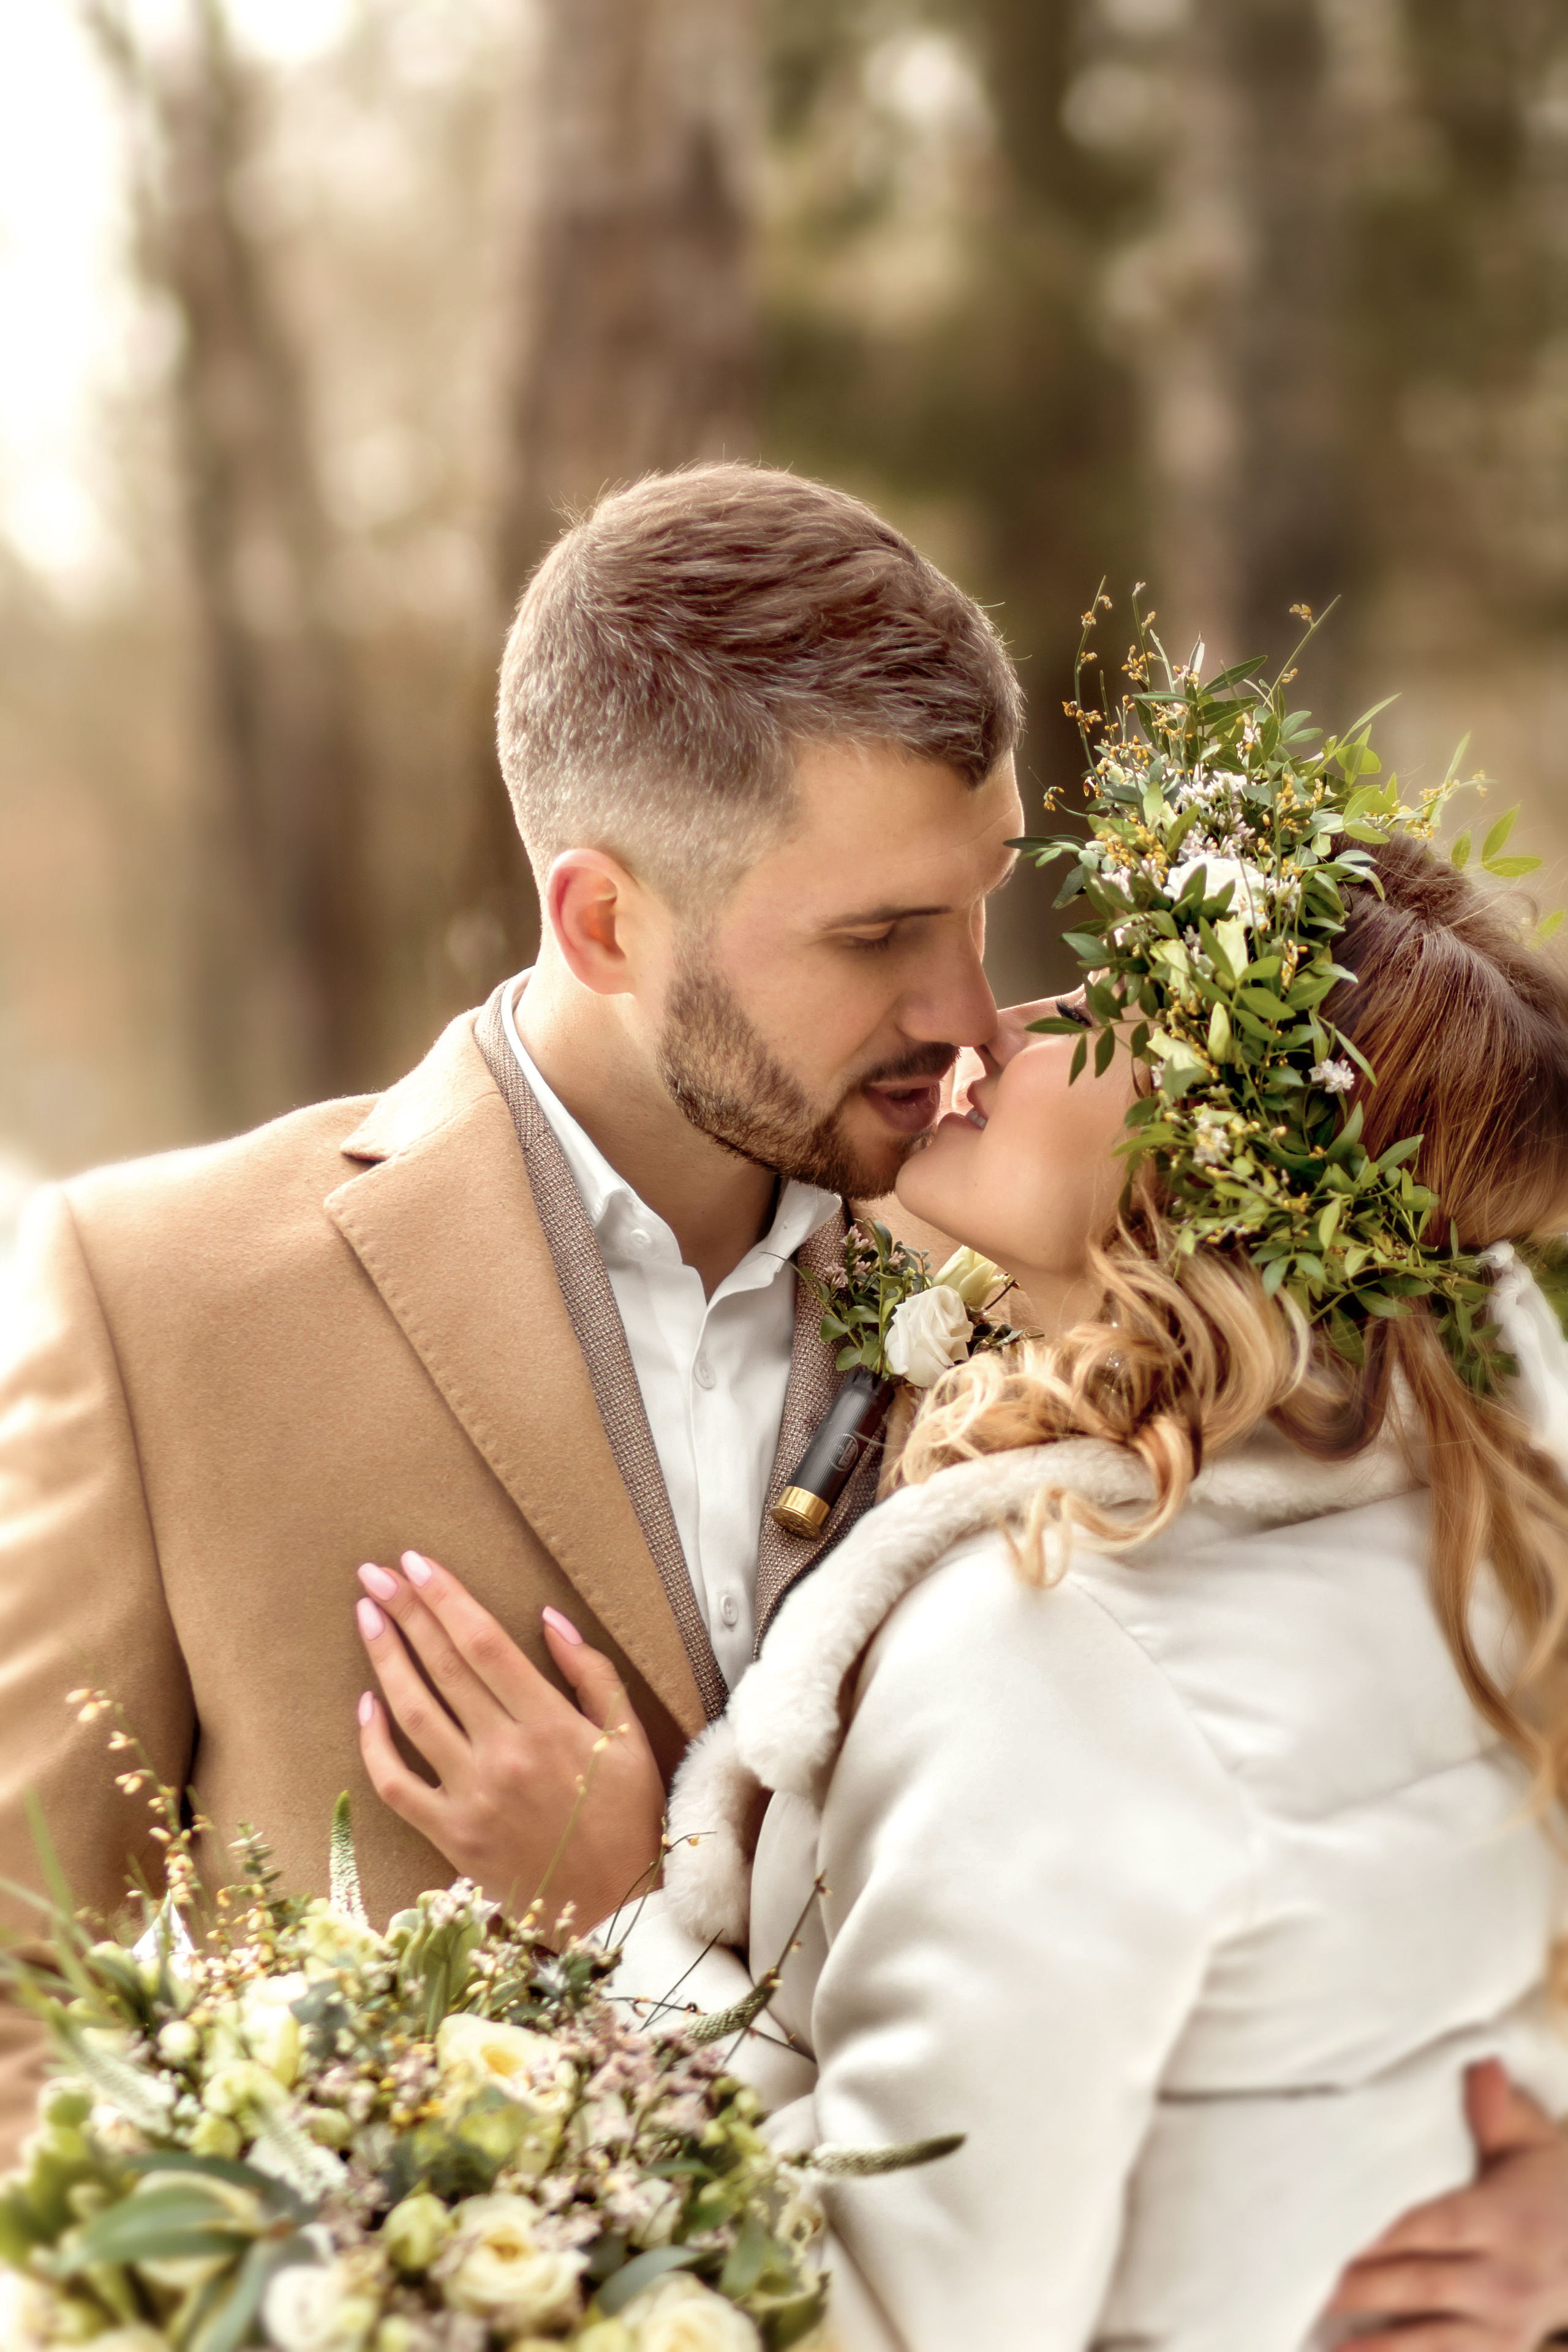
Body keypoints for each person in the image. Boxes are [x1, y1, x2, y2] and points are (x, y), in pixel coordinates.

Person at [358, 823, 1568, 2349]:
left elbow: (902, 2309)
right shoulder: (1467, 1527)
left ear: (1224, 1173)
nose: (1001, 1020)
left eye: (1113, 1011)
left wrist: (613, 1920)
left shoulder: (1058, 1651)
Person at [0, 464, 1023, 2163]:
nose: (968, 1010)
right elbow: (19, 2005)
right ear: (603, 921)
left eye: (981, 899)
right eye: (878, 937)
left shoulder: (1050, 1275)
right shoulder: (155, 1300)